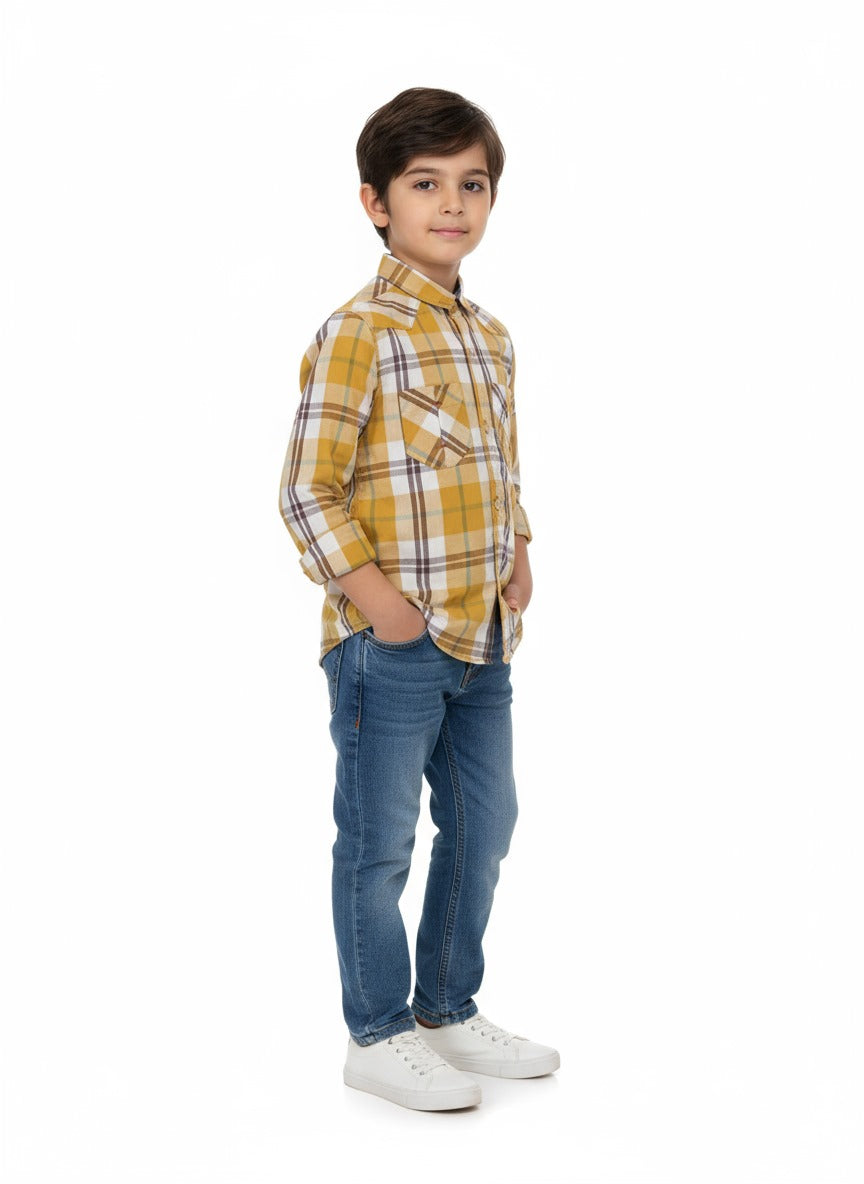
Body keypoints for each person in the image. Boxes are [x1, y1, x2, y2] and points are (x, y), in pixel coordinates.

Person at [278, 87, 559, 1111]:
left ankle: (446, 1004)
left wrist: (518, 545)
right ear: (376, 203)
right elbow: (306, 488)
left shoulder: (490, 335)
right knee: (380, 841)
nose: (452, 204)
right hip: (388, 643)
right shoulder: (360, 330)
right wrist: (378, 603)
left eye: (471, 184)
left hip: (484, 635)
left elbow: (497, 461)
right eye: (425, 184)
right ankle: (378, 1030)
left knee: (487, 822)